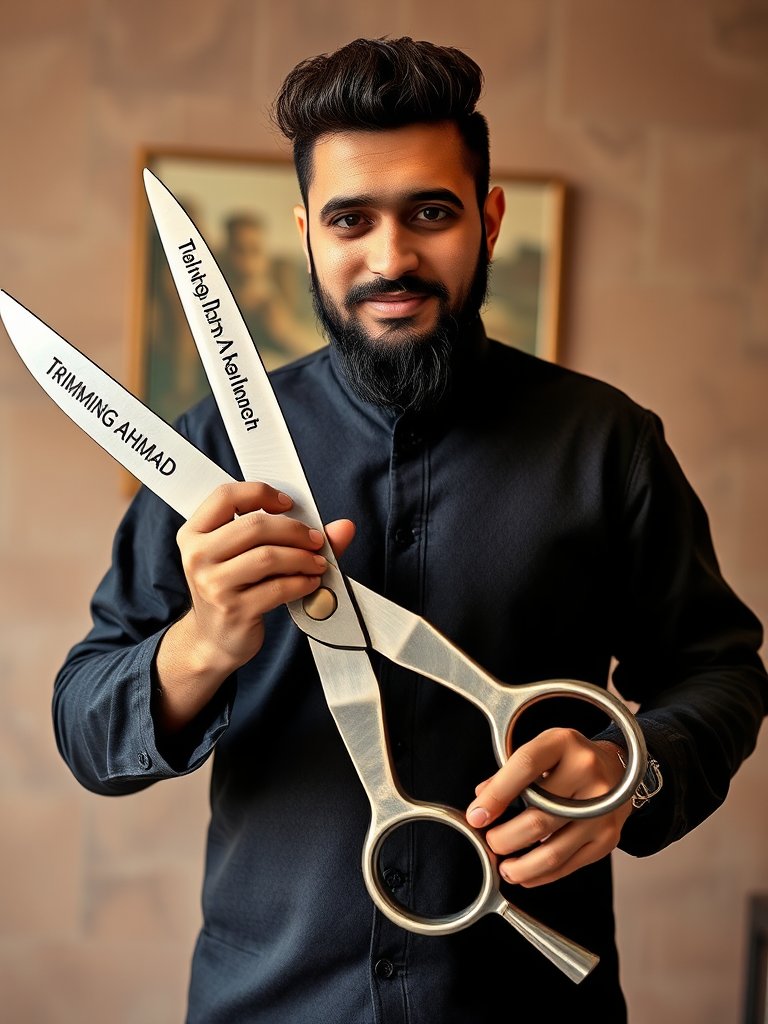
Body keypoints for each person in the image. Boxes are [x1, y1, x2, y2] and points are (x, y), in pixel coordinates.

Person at [54, 37, 767, 1024]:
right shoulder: (210, 450)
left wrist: (629, 768)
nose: (392, 258)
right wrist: (204, 642)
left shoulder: (607, 443)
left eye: (430, 213)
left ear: (489, 216)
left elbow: (723, 674)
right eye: (351, 220)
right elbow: (85, 720)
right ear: (306, 231)